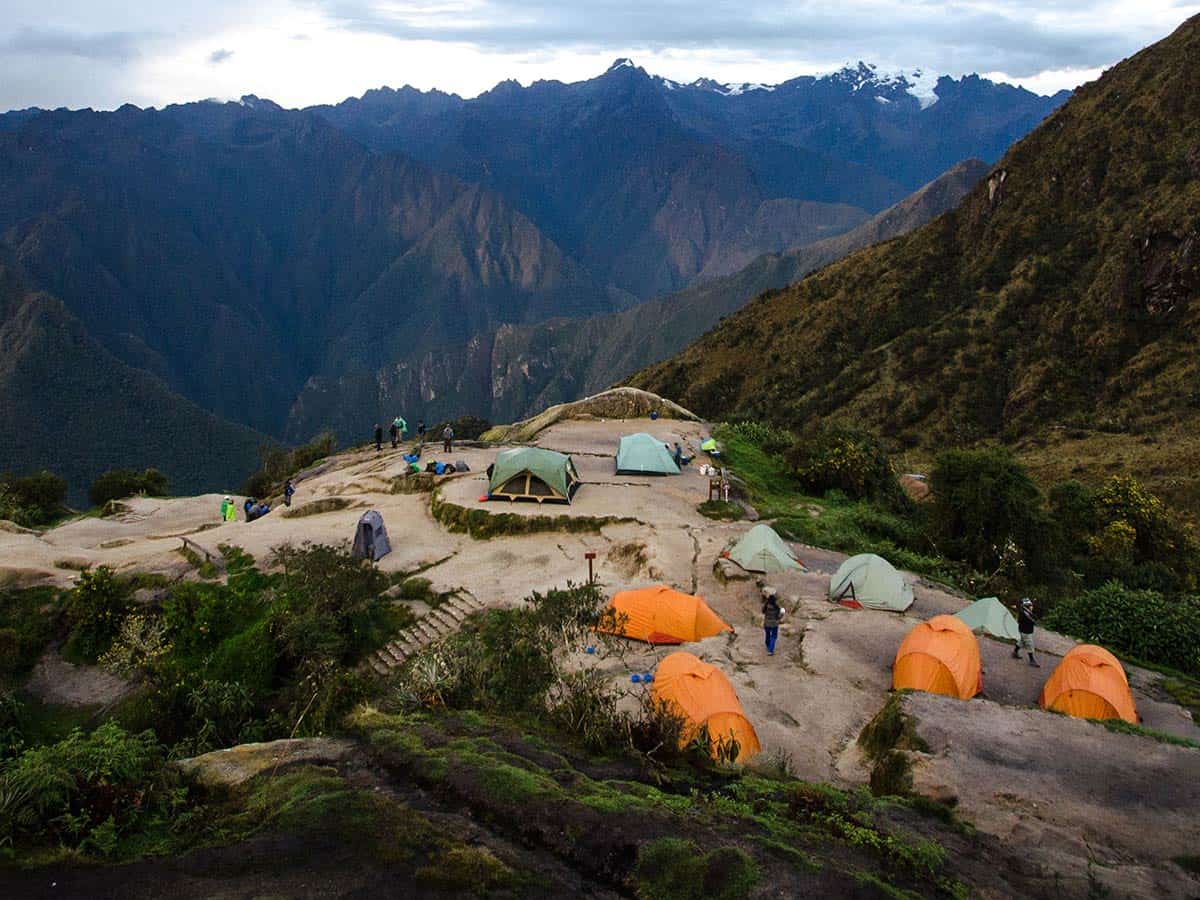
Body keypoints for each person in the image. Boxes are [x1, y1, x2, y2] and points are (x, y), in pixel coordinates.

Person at [1013, 597, 1040, 667]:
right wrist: (1032, 621)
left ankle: (1015, 652)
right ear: (1026, 606)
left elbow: (1034, 617)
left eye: (1031, 605)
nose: (1032, 606)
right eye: (1030, 605)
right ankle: (1032, 660)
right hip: (1025, 631)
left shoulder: (1028, 612)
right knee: (1030, 644)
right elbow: (1022, 621)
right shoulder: (1024, 614)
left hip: (1024, 630)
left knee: (1021, 642)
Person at [761, 587, 783, 656]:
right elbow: (778, 616)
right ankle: (771, 650)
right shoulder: (777, 608)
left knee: (767, 635)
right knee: (773, 637)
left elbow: (763, 612)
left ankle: (768, 646)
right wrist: (782, 614)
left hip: (767, 624)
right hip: (774, 624)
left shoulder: (766, 606)